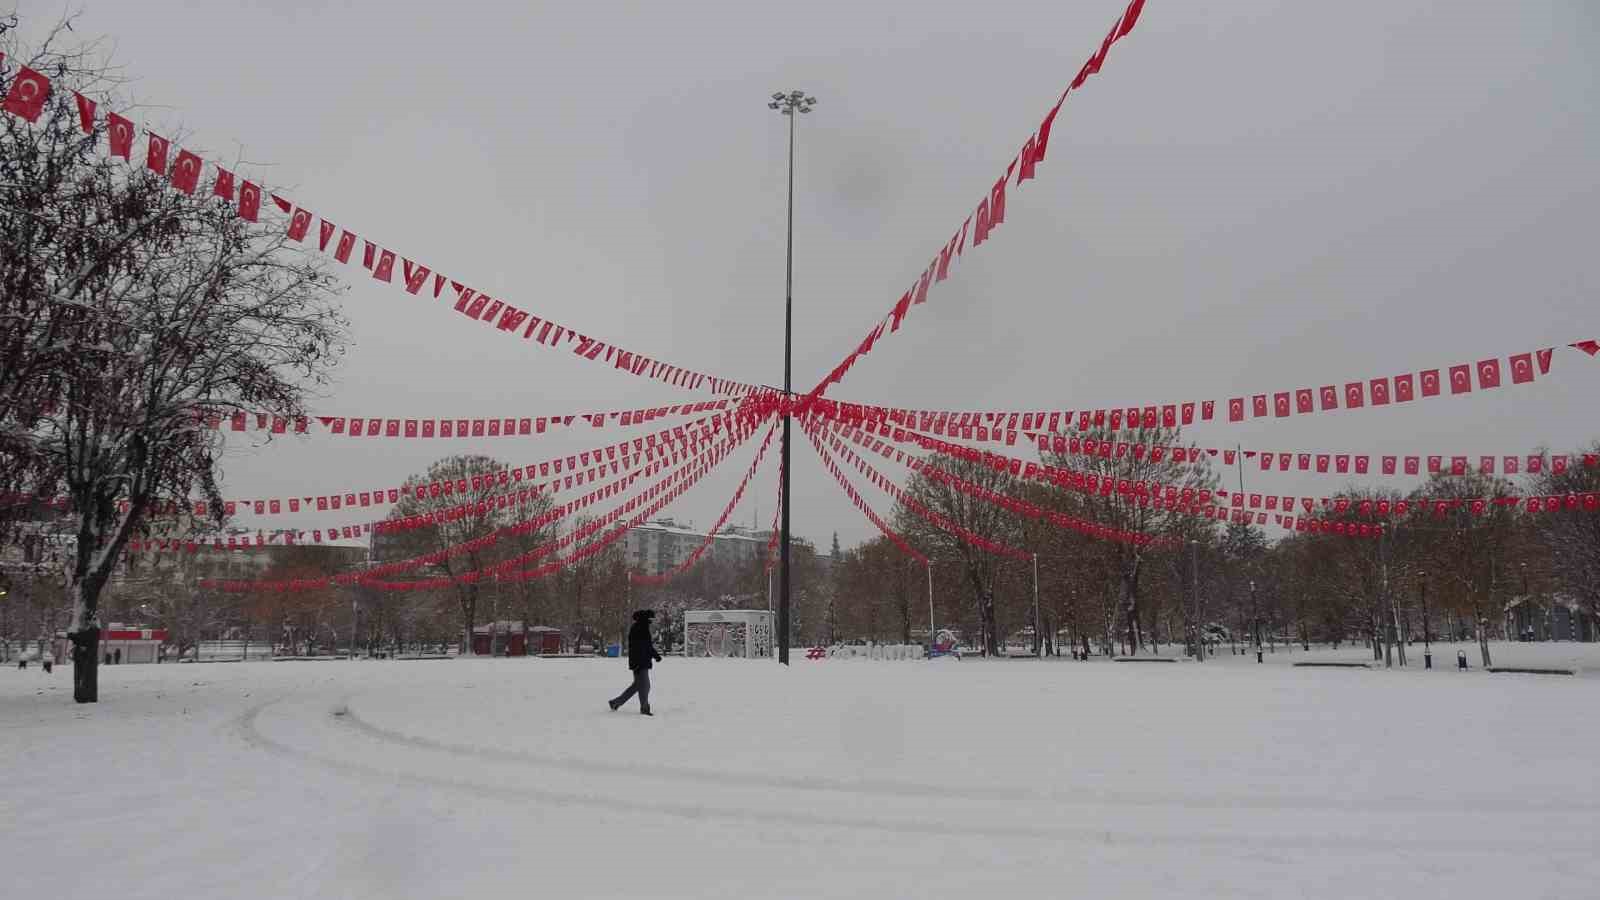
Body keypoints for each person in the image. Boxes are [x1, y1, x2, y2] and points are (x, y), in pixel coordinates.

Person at [609, 609, 662, 716]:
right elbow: (644, 647)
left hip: (639, 661)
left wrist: (654, 656)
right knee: (644, 686)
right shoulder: (640, 629)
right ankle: (644, 709)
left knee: (638, 685)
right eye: (651, 618)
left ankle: (615, 703)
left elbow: (645, 647)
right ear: (645, 618)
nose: (652, 620)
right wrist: (655, 656)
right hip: (640, 663)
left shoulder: (640, 627)